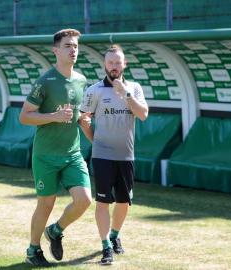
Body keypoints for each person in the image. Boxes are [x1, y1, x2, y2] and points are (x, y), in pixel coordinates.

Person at [19, 28, 92, 267]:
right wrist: (53, 116)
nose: (73, 50)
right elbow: (25, 116)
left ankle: (55, 230)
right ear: (56, 50)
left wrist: (84, 120)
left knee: (84, 201)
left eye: (76, 46)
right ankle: (32, 250)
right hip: (46, 155)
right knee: (46, 203)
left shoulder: (81, 80)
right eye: (68, 46)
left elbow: (77, 114)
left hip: (72, 153)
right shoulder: (45, 82)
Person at [80, 44, 148, 265]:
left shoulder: (134, 88)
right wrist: (96, 141)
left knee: (123, 202)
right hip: (102, 156)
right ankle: (105, 247)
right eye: (110, 62)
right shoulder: (94, 90)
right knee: (102, 203)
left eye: (118, 62)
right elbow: (83, 119)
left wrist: (125, 94)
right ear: (104, 65)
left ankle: (115, 235)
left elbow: (143, 114)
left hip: (126, 156)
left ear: (124, 64)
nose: (114, 66)